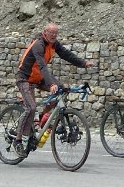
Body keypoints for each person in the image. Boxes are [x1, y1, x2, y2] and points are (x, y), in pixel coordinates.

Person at [14, 22, 93, 153]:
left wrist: (83, 63)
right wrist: (51, 84)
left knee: (62, 89)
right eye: (51, 33)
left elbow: (67, 55)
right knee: (31, 107)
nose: (54, 36)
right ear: (44, 32)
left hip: (38, 78)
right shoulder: (38, 44)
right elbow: (42, 66)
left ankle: (42, 116)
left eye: (55, 33)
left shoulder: (54, 44)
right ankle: (18, 140)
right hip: (25, 78)